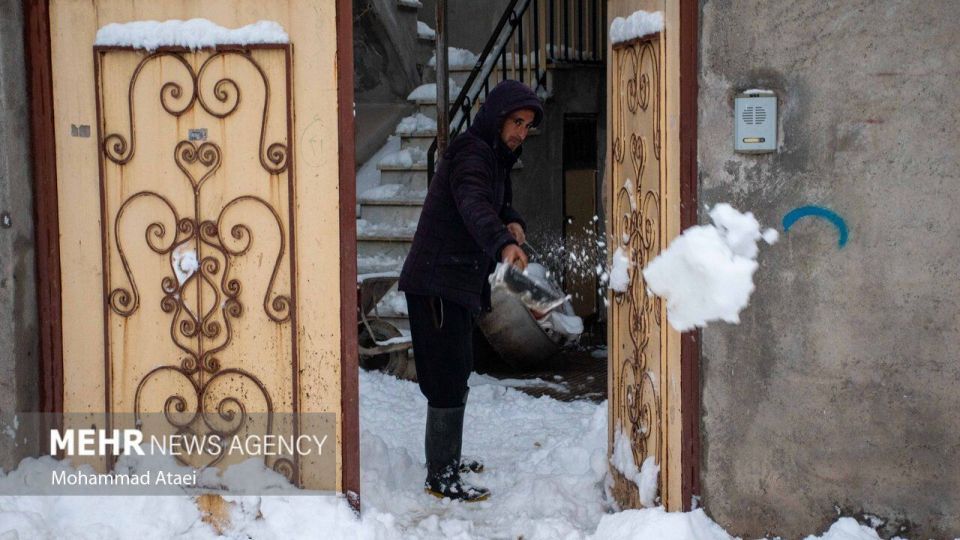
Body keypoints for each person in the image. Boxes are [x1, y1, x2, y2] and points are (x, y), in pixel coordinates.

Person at [398, 79, 543, 502]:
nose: (521, 132)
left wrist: (512, 221)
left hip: (456, 283)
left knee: (457, 370)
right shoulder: (471, 152)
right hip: (436, 282)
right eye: (517, 121)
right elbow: (473, 204)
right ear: (498, 116)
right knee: (445, 377)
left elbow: (497, 205)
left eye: (528, 125)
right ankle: (440, 476)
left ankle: (447, 457)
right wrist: (502, 242)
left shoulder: (497, 157)